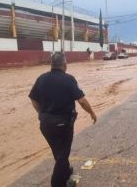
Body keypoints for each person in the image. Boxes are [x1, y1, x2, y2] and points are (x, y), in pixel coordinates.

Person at [29, 52, 97, 187]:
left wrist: (41, 113)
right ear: (65, 65)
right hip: (63, 124)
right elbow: (82, 101)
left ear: (52, 64)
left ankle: (65, 171)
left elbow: (33, 99)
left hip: (45, 124)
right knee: (62, 154)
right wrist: (92, 113)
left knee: (58, 152)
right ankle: (57, 183)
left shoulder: (41, 79)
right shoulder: (68, 79)